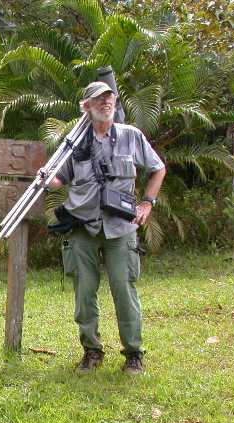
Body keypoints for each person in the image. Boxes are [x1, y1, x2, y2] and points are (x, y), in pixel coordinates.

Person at [48, 81, 166, 374]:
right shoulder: (73, 143)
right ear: (85, 106)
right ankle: (91, 351)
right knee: (84, 291)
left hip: (120, 227)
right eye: (98, 100)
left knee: (123, 289)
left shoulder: (131, 136)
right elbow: (57, 181)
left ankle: (134, 354)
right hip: (82, 227)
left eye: (109, 98)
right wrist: (42, 174)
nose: (105, 103)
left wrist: (147, 203)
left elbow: (158, 168)